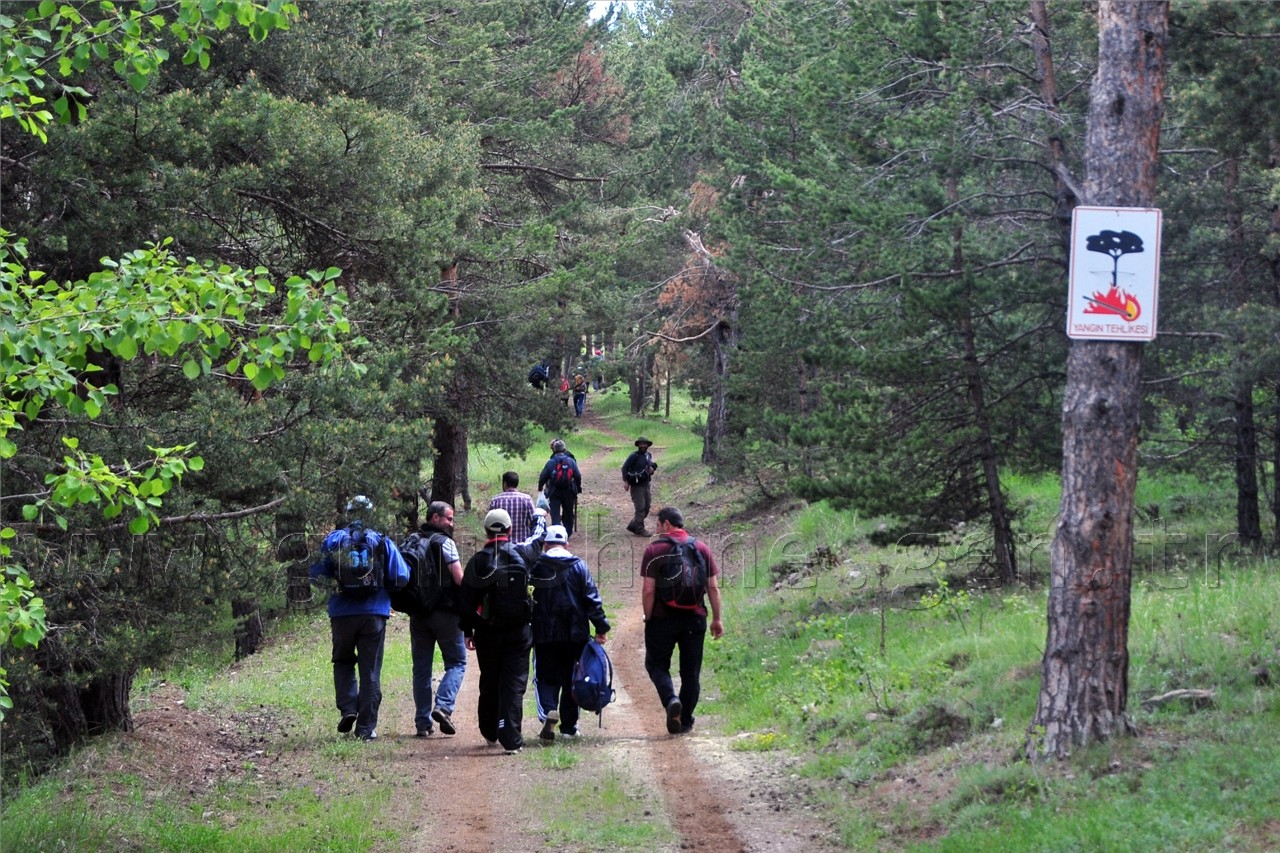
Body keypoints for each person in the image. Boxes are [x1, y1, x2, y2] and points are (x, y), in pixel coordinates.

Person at [309, 495, 410, 741]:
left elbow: (315, 576)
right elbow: (401, 576)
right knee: (371, 670)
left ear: (348, 513)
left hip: (342, 613)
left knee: (343, 662)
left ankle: (348, 709)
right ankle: (366, 728)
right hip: (374, 614)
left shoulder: (333, 541)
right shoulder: (380, 540)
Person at [458, 507, 547, 754]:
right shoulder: (523, 554)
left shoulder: (478, 561)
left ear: (486, 531)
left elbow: (465, 601)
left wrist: (467, 631)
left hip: (487, 632)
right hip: (519, 632)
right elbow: (539, 539)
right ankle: (511, 738)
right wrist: (540, 515)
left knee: (490, 680)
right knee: (514, 683)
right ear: (509, 530)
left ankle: (490, 732)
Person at [640, 506, 724, 735]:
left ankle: (670, 701)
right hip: (694, 619)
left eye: (657, 525)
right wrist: (717, 619)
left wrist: (648, 616)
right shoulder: (702, 548)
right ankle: (684, 720)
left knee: (656, 664)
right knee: (691, 672)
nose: (656, 530)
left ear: (667, 524)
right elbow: (713, 587)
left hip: (662, 619)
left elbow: (649, 590)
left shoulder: (654, 550)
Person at [530, 524, 610, 742]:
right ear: (567, 544)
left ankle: (548, 711)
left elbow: (527, 600)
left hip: (544, 635)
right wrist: (601, 628)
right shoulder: (580, 566)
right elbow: (592, 599)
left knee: (545, 678)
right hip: (575, 636)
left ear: (545, 545)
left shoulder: (536, 567)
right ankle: (568, 727)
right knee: (572, 679)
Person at [404, 501, 465, 738]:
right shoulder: (445, 543)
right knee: (457, 662)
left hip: (418, 613)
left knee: (421, 669)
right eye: (448, 518)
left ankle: (422, 723)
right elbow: (458, 578)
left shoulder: (411, 541)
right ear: (435, 518)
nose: (451, 523)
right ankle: (443, 706)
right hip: (445, 613)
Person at [537, 438, 582, 538]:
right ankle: (567, 534)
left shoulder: (551, 462)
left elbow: (543, 476)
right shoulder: (570, 461)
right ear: (564, 449)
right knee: (569, 512)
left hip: (554, 491)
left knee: (555, 513)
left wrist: (540, 487)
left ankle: (556, 534)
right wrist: (578, 488)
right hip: (569, 491)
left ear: (554, 449)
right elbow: (578, 475)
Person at [621, 436, 658, 536]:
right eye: (641, 444)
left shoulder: (648, 455)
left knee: (646, 507)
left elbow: (648, 469)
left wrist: (652, 470)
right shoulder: (634, 456)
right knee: (640, 508)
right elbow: (624, 467)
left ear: (647, 445)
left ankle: (633, 525)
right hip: (636, 486)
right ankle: (640, 529)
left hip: (646, 484)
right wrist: (626, 481)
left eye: (644, 444)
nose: (642, 446)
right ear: (638, 445)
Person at [487, 471, 538, 542]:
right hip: (522, 545)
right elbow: (535, 520)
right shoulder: (526, 499)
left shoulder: (495, 500)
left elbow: (490, 523)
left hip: (501, 545)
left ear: (505, 484)